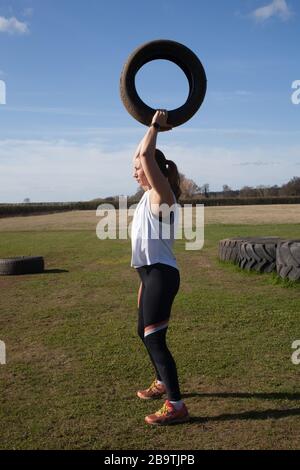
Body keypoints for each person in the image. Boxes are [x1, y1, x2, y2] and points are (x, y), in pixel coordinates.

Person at [130, 109, 189, 425]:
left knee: (155, 339)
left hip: (162, 276)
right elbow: (142, 152)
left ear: (154, 171)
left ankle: (176, 405)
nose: (134, 171)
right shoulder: (145, 198)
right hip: (149, 276)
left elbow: (146, 154)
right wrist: (142, 283)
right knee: (143, 332)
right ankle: (163, 383)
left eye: (138, 168)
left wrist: (154, 126)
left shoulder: (162, 195)